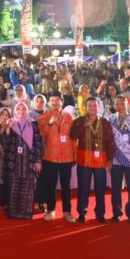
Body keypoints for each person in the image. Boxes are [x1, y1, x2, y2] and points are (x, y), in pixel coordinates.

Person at [70, 97, 115, 223]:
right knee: (83, 188)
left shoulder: (105, 122)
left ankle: (100, 214)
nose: (93, 108)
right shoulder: (79, 121)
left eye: (95, 106)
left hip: (100, 160)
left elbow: (110, 142)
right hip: (84, 160)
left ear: (98, 107)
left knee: (100, 189)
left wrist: (110, 159)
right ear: (86, 107)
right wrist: (84, 126)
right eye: (90, 106)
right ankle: (82, 213)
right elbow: (72, 135)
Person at [37, 92, 76, 223]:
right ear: (49, 102)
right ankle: (51, 210)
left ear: (62, 101)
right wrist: (49, 123)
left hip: (67, 156)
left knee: (66, 185)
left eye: (57, 100)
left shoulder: (69, 117)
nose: (54, 102)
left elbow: (73, 137)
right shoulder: (44, 117)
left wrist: (74, 153)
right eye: (52, 100)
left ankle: (67, 211)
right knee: (51, 185)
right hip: (50, 157)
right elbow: (42, 132)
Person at [1, 101, 42, 219]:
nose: (21, 111)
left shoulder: (33, 124)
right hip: (13, 162)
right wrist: (7, 130)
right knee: (13, 187)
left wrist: (38, 161)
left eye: (23, 109)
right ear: (15, 111)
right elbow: (4, 144)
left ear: (28, 110)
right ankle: (13, 213)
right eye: (18, 109)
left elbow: (38, 143)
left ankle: (26, 213)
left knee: (27, 188)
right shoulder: (11, 123)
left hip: (29, 161)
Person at [108, 95, 130, 224]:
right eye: (116, 104)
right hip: (116, 158)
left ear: (126, 104)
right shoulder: (110, 119)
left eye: (122, 103)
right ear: (114, 105)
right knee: (116, 188)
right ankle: (116, 213)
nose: (119, 106)